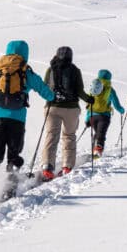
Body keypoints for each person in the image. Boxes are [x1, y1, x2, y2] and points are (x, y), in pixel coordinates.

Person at [0, 40, 54, 175]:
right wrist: (52, 97)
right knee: (13, 156)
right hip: (17, 119)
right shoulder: (26, 71)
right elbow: (43, 90)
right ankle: (10, 186)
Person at [40, 46, 94, 180]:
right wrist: (89, 99)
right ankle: (67, 167)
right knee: (69, 136)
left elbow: (45, 88)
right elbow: (80, 91)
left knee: (51, 136)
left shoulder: (50, 69)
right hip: (71, 108)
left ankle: (47, 167)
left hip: (52, 107)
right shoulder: (75, 70)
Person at [85, 69, 125, 158]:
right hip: (104, 116)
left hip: (93, 116)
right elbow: (116, 104)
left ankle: (95, 149)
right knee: (101, 133)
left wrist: (87, 118)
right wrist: (121, 110)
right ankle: (98, 150)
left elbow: (89, 105)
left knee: (98, 133)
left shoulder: (94, 86)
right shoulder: (110, 90)